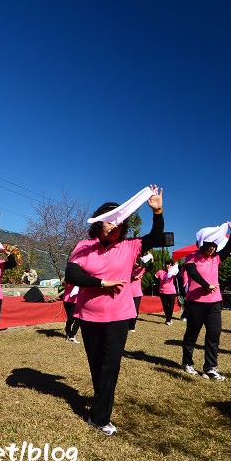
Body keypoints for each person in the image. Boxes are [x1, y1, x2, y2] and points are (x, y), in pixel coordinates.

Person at [64, 184, 164, 436]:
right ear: (99, 223)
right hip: (89, 315)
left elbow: (155, 237)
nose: (114, 227)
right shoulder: (84, 246)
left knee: (110, 365)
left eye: (119, 223)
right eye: (110, 221)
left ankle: (99, 417)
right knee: (97, 364)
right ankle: (101, 398)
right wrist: (100, 283)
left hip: (119, 316)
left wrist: (157, 212)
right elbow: (72, 274)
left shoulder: (130, 246)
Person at [181, 222, 231, 381]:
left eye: (214, 245)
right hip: (196, 303)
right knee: (192, 334)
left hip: (214, 303)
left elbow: (228, 248)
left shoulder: (216, 258)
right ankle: (187, 363)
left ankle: (210, 367)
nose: (212, 248)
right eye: (209, 245)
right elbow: (192, 272)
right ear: (201, 244)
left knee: (214, 334)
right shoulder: (192, 257)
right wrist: (206, 285)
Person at [128, 253, 151, 332]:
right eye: (134, 262)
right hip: (127, 293)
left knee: (135, 309)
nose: (135, 264)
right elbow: (126, 276)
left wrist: (152, 259)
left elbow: (150, 268)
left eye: (137, 262)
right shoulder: (128, 269)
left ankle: (132, 326)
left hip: (137, 293)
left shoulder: (141, 269)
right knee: (127, 309)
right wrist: (134, 277)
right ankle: (127, 324)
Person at [155, 259, 180, 325]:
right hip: (163, 292)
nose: (168, 266)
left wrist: (176, 267)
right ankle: (167, 317)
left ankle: (168, 320)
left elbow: (179, 277)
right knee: (165, 306)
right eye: (167, 264)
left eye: (170, 265)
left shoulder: (173, 272)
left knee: (171, 306)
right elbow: (155, 278)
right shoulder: (160, 272)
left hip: (172, 292)